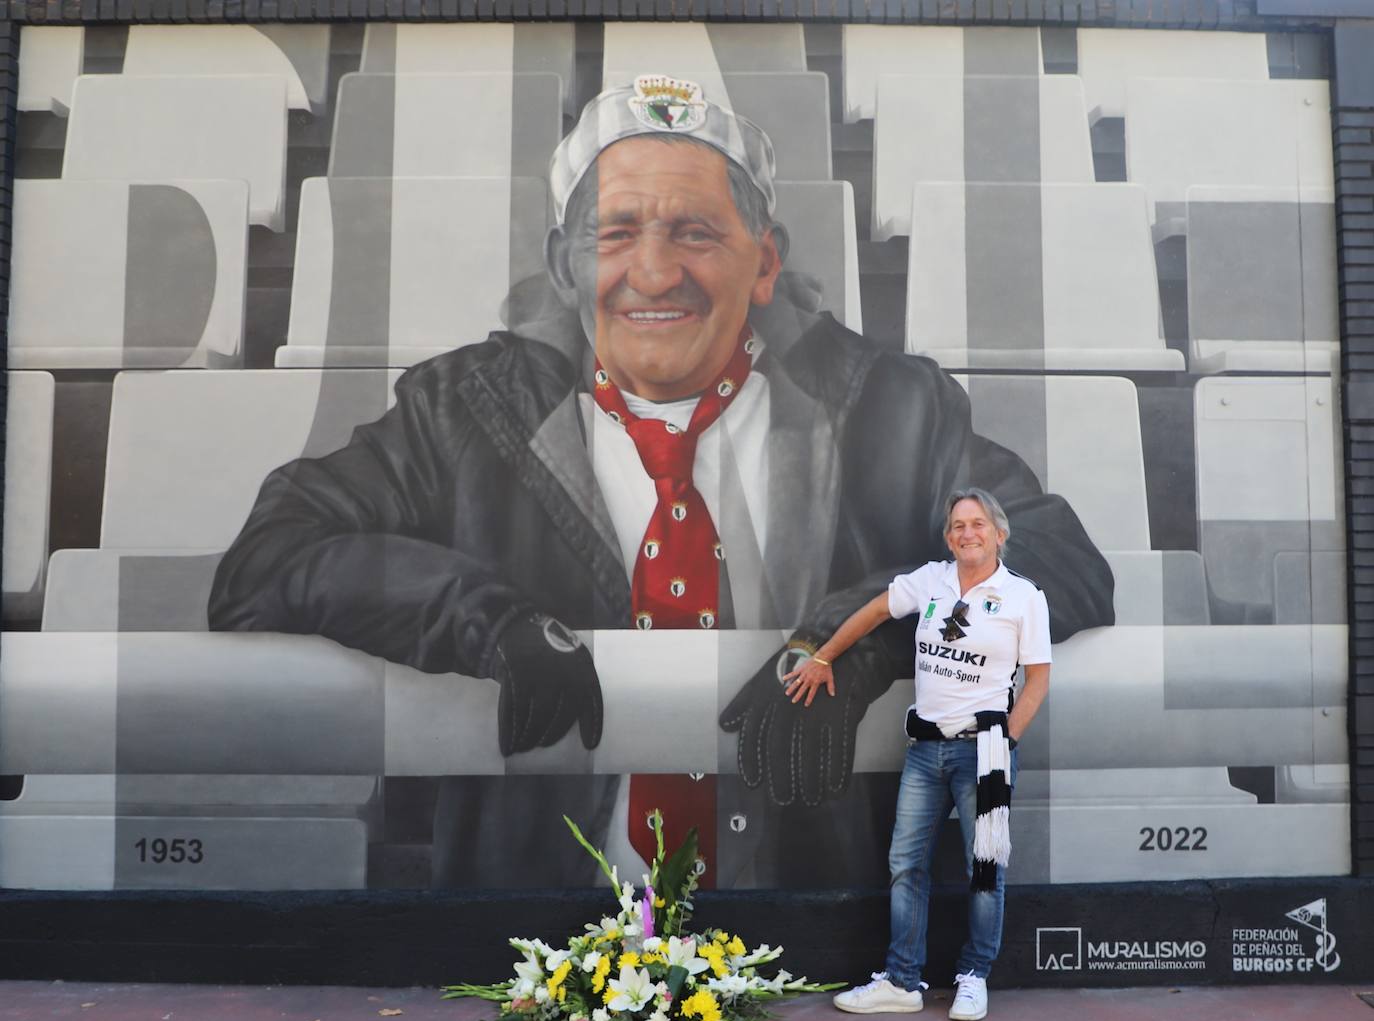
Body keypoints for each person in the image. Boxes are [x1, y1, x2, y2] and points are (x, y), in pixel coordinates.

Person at [209, 76, 1112, 887]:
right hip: (534, 929)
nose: (653, 271)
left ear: (764, 261)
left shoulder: (891, 406)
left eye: (695, 233)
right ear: (566, 267)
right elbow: (270, 559)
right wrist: (488, 623)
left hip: (816, 917)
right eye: (616, 233)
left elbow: (1055, 555)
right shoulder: (462, 410)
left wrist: (864, 636)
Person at [813, 488, 1047, 1021]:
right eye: (958, 525)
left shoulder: (1023, 597)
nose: (967, 533)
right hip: (925, 751)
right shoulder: (931, 580)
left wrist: (1005, 741)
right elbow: (873, 611)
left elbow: (1037, 681)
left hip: (983, 752)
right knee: (905, 863)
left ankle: (974, 976)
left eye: (978, 524)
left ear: (999, 534)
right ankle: (901, 981)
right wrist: (823, 655)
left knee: (983, 869)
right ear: (948, 537)